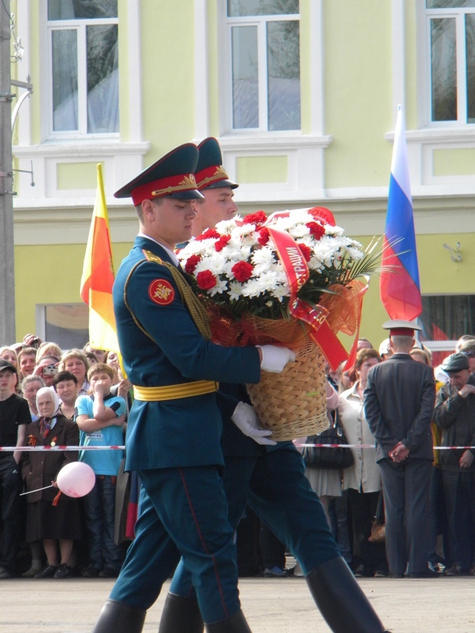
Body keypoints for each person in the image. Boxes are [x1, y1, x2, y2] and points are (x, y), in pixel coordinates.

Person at [159, 138, 389, 633]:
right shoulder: (181, 276)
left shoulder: (231, 264)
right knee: (207, 553)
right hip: (220, 437)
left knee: (311, 534)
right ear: (193, 207)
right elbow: (183, 362)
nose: (232, 207)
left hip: (269, 429)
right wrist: (230, 407)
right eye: (221, 199)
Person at [91, 142, 295, 633]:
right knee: (214, 556)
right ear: (148, 210)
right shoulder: (148, 275)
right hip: (177, 436)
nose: (192, 212)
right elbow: (192, 356)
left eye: (192, 204)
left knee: (144, 572)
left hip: (180, 433)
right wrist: (260, 359)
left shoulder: (165, 267)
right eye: (181, 206)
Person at [364, 320, 436, 578]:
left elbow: (371, 414)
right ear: (413, 343)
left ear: (391, 344)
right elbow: (426, 413)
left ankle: (395, 567)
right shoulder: (425, 372)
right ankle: (417, 567)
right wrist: (407, 444)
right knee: (417, 508)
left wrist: (391, 444)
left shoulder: (374, 373)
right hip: (417, 452)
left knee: (393, 510)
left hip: (388, 453)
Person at [21, 387, 82, 579]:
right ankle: (51, 563)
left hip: (60, 486)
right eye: (41, 403)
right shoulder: (32, 428)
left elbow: (70, 455)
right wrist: (28, 476)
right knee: (44, 527)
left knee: (63, 526)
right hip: (37, 485)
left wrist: (63, 477)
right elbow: (24, 458)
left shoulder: (68, 426)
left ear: (55, 403)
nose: (44, 406)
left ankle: (65, 564)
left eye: (48, 402)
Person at [339, 348, 388, 578]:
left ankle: (380, 564)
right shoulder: (344, 398)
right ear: (358, 369)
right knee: (357, 518)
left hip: (376, 467)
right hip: (352, 469)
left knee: (377, 517)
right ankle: (361, 563)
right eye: (368, 364)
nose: (372, 368)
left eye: (376, 364)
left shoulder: (383, 395)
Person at [76, 363, 126, 579]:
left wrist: (98, 397)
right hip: (88, 469)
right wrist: (112, 422)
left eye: (104, 378)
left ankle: (112, 562)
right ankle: (96, 562)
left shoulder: (118, 401)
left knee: (110, 518)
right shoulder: (82, 400)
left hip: (111, 469)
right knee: (93, 517)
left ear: (112, 380)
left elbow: (97, 414)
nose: (99, 382)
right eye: (94, 378)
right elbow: (84, 425)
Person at [433, 353, 475, 576]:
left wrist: (472, 451)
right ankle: (458, 561)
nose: (454, 381)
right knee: (455, 517)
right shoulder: (445, 391)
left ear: (469, 371)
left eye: (458, 377)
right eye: (451, 377)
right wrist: (459, 396)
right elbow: (440, 418)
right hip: (450, 464)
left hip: (472, 461)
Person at [0, 359, 31, 578]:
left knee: (9, 515)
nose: (3, 379)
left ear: (14, 379)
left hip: (9, 461)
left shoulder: (20, 403)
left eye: (7, 375)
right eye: (0, 376)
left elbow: (22, 439)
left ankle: (8, 564)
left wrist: (14, 463)